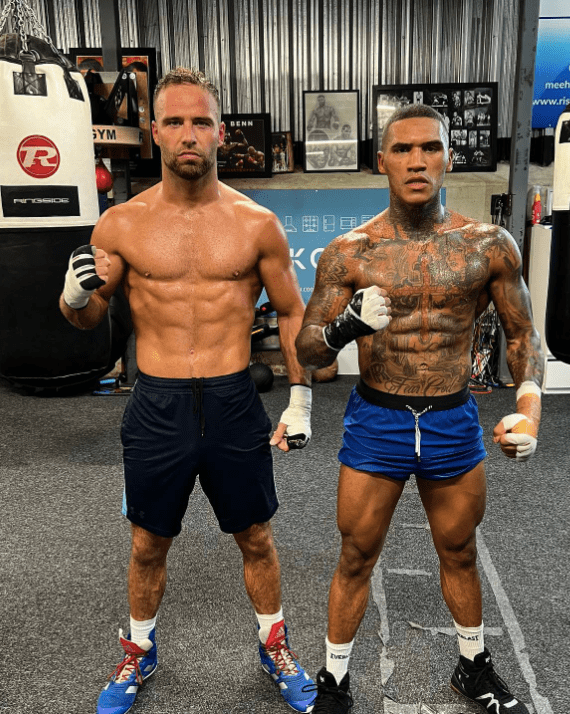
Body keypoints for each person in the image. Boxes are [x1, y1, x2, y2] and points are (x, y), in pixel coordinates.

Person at [59, 67, 316, 714]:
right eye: (174, 121)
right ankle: (138, 653)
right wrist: (72, 296)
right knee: (149, 541)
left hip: (233, 400)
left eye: (200, 121)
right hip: (158, 404)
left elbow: (290, 311)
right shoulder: (121, 224)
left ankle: (274, 645)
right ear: (155, 133)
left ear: (220, 132)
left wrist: (300, 398)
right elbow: (90, 319)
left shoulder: (256, 223)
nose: (188, 134)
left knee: (255, 536)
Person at [295, 103, 545, 714]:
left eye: (429, 148)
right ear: (381, 161)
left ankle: (472, 665)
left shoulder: (488, 245)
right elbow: (306, 347)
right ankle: (334, 680)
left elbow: (521, 336)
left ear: (447, 158)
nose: (416, 160)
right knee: (356, 553)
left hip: (452, 419)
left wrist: (531, 409)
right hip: (377, 417)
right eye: (402, 149)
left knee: (458, 549)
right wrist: (345, 326)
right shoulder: (349, 252)